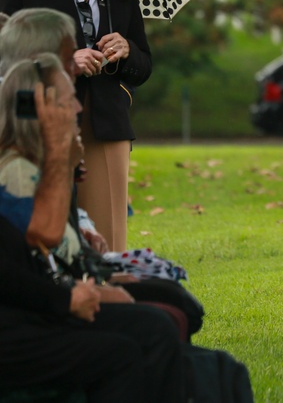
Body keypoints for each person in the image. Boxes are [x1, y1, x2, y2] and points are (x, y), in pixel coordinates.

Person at [0, 53, 184, 402]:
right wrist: (70, 297)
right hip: (21, 324)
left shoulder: (28, 160)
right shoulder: (15, 172)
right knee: (130, 347)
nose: (79, 108)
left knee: (161, 318)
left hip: (35, 307)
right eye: (68, 99)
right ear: (38, 107)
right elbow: (46, 237)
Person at [0, 0, 153, 251]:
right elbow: (5, 61)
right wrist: (65, 63)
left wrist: (126, 52)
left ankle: (106, 305)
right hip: (39, 121)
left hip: (105, 123)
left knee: (108, 242)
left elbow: (144, 67)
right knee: (46, 238)